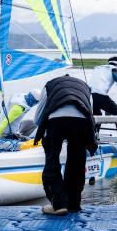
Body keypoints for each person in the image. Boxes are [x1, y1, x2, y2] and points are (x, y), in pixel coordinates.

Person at [34, 73, 97, 215]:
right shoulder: (85, 87)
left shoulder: (50, 85)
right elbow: (88, 110)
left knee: (52, 161)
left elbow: (38, 117)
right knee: (77, 162)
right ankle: (73, 204)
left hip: (56, 120)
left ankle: (59, 205)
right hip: (81, 121)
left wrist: (45, 132)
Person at [91, 57, 117, 137]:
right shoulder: (114, 69)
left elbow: (99, 84)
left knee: (97, 115)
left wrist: (107, 109)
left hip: (89, 94)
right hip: (99, 93)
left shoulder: (99, 68)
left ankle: (94, 135)